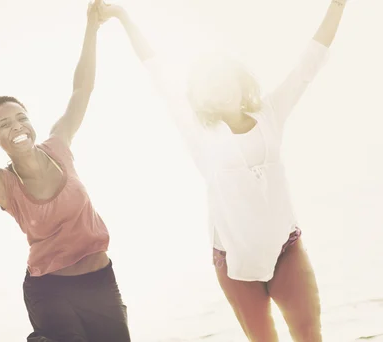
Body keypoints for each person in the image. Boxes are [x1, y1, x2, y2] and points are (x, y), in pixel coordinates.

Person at [99, 1, 348, 341]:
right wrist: (124, 17)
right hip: (234, 261)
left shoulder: (270, 113)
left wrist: (338, 4)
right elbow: (156, 68)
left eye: (223, 78)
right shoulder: (198, 132)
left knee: (309, 335)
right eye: (210, 84)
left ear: (238, 78)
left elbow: (310, 60)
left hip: (286, 248)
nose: (219, 87)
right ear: (202, 95)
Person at [0, 1, 130, 341]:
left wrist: (92, 28)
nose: (17, 126)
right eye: (5, 124)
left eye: (21, 117)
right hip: (50, 292)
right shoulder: (4, 186)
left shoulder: (59, 147)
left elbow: (82, 89)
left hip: (100, 282)